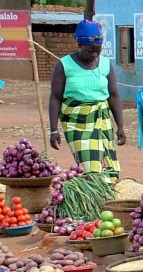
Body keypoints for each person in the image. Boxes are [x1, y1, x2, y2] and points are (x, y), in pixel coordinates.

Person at [49, 20, 126, 178]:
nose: (94, 55)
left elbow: (113, 95)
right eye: (90, 50)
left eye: (98, 51)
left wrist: (121, 126)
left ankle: (102, 200)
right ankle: (95, 198)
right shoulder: (64, 65)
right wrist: (53, 129)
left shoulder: (105, 64)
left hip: (102, 120)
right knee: (90, 168)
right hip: (76, 122)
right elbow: (55, 97)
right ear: (79, 43)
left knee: (110, 169)